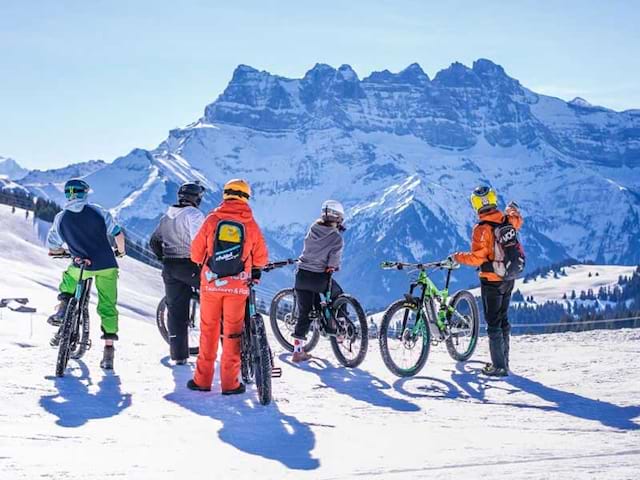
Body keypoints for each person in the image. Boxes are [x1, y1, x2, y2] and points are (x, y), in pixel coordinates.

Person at [187, 179, 268, 395]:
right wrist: (254, 268)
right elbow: (261, 257)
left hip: (211, 285)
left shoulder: (212, 219)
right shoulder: (250, 223)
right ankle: (230, 383)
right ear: (246, 197)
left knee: (208, 330)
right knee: (233, 333)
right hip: (238, 287)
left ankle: (202, 380)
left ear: (224, 195)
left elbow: (195, 253)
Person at [47, 178, 126, 370]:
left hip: (81, 266)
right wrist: (121, 252)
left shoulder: (61, 217)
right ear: (85, 192)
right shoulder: (98, 211)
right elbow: (118, 234)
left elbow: (52, 245)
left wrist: (60, 252)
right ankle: (108, 352)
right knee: (107, 305)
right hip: (106, 265)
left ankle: (63, 308)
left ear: (67, 194)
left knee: (69, 279)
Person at [452, 186, 524, 377]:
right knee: (503, 318)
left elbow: (477, 258)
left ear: (475, 205)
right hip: (508, 277)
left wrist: (457, 257)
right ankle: (504, 361)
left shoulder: (481, 229)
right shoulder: (506, 220)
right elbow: (518, 220)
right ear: (493, 199)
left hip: (491, 280)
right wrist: (511, 209)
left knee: (493, 322)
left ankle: (498, 366)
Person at [149, 181, 205, 365]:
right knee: (214, 298)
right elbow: (199, 242)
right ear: (197, 198)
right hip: (189, 265)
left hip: (169, 267)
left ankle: (179, 356)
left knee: (175, 311)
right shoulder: (194, 214)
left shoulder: (166, 216)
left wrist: (163, 258)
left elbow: (154, 241)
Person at [291, 200, 346, 363]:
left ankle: (297, 351)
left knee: (305, 314)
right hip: (319, 278)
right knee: (339, 295)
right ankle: (339, 328)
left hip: (301, 276)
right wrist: (333, 267)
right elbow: (333, 261)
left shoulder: (313, 228)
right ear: (339, 218)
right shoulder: (336, 238)